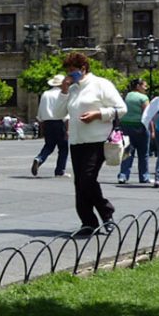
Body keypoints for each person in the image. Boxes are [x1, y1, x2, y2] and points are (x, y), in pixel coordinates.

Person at [58, 52, 127, 237]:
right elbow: (58, 112)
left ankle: (106, 212)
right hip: (76, 140)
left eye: (73, 70)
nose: (70, 73)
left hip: (97, 140)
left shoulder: (101, 84)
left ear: (83, 68)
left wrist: (98, 114)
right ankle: (88, 222)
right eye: (68, 70)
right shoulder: (73, 89)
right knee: (79, 183)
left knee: (87, 179)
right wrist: (64, 91)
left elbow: (121, 109)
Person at [31, 75, 69, 178]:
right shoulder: (64, 94)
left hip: (47, 123)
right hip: (60, 122)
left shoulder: (45, 94)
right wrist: (68, 130)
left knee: (49, 145)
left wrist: (41, 125)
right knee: (63, 148)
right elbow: (66, 113)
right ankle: (60, 170)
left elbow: (40, 112)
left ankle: (39, 158)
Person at [117, 78, 151, 185]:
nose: (146, 88)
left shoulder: (126, 96)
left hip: (126, 126)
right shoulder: (143, 98)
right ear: (138, 86)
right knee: (143, 153)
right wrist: (152, 129)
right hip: (140, 126)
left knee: (127, 152)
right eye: (144, 86)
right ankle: (144, 176)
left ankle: (123, 175)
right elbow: (147, 114)